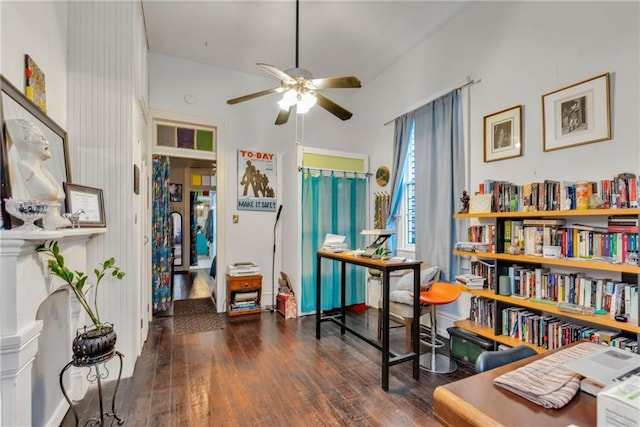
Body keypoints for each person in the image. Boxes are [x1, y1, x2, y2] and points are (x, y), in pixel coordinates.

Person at [5, 118, 70, 229]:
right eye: (41, 138)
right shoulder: (25, 168)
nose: (47, 142)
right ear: (26, 139)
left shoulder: (45, 172)